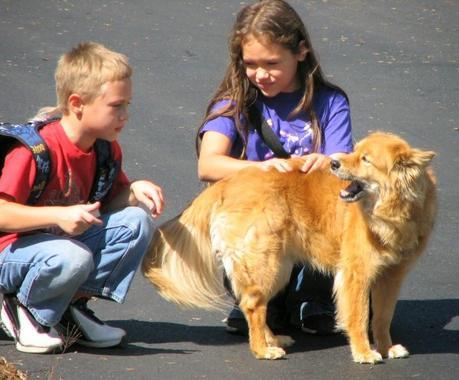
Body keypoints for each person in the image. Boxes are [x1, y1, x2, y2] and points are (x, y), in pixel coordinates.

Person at [196, 0, 353, 335]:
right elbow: (208, 165)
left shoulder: (330, 102)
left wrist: (328, 161)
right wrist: (263, 169)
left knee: (339, 203)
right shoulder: (235, 102)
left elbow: (345, 166)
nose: (260, 74)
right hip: (257, 224)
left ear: (301, 51)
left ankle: (313, 297)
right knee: (259, 248)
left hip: (310, 222)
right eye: (250, 64)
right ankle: (255, 297)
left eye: (271, 63)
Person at [0, 42, 164, 353]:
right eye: (116, 105)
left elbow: (108, 204)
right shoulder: (34, 151)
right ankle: (24, 309)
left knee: (135, 223)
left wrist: (133, 192)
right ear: (78, 103)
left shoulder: (104, 147)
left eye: (127, 104)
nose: (125, 115)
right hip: (10, 255)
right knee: (72, 255)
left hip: (56, 250)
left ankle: (67, 309)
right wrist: (57, 216)